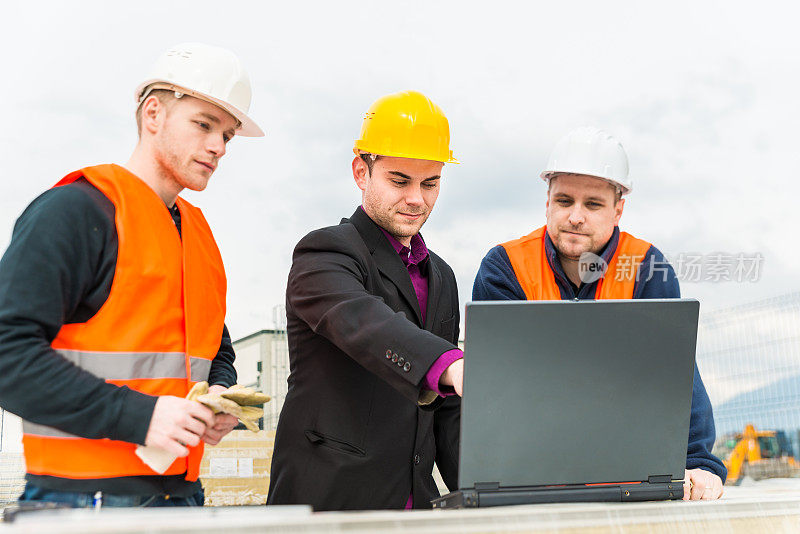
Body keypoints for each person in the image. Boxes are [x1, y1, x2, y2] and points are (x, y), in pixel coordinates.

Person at [0, 43, 264, 507]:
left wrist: (219, 395)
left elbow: (213, 350)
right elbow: (6, 355)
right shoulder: (75, 211)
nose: (218, 147)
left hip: (181, 496)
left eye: (227, 135)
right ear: (154, 114)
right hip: (81, 502)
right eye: (204, 125)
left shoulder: (198, 237)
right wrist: (139, 416)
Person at [473, 126, 727, 501]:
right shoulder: (504, 267)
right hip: (527, 472)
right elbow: (495, 389)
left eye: (592, 204)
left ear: (618, 209)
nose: (576, 217)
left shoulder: (646, 268)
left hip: (628, 475)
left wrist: (699, 462)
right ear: (547, 200)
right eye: (564, 201)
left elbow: (674, 374)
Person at [268, 90, 464, 511]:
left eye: (431, 183)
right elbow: (365, 324)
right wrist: (446, 363)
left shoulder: (443, 277)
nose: (417, 198)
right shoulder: (324, 253)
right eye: (399, 180)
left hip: (415, 505)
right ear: (361, 171)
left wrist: (487, 489)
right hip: (330, 501)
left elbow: (445, 414)